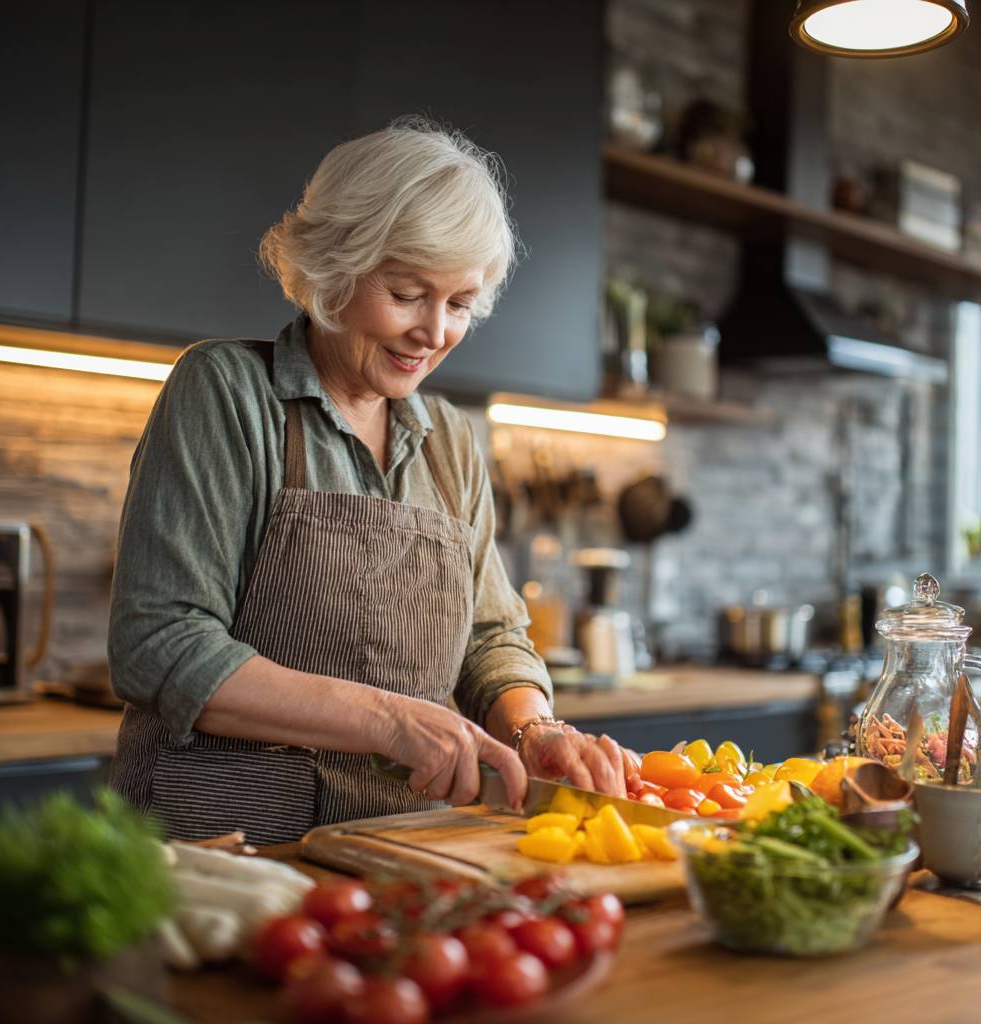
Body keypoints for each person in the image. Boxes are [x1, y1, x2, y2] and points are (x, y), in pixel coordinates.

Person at [107, 118, 626, 846]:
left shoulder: (450, 440)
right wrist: (391, 721)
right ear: (333, 268)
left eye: (461, 304)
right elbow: (160, 643)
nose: (436, 331)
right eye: (409, 292)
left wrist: (534, 726)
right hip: (222, 850)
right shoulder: (226, 392)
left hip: (398, 849)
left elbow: (489, 634)